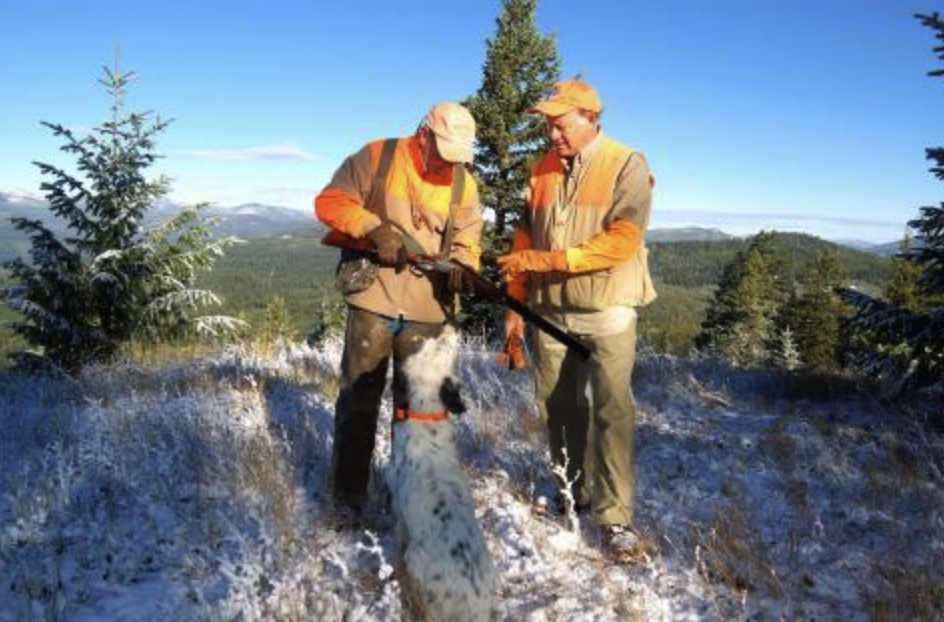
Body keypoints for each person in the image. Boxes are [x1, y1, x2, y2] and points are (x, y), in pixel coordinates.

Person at [496, 79, 656, 562]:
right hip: (547, 312)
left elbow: (622, 242)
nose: (552, 134)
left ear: (590, 118)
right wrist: (514, 315)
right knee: (558, 408)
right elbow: (523, 244)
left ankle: (615, 519)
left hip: (607, 312)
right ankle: (573, 492)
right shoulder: (541, 169)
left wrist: (549, 263)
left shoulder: (627, 164)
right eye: (548, 124)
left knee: (612, 412)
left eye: (561, 124)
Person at [315, 102, 483, 515]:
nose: (450, 164)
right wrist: (375, 228)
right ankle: (347, 502)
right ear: (424, 135)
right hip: (374, 298)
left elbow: (468, 238)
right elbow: (330, 202)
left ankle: (411, 499)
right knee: (358, 404)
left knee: (421, 410)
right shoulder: (377, 156)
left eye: (458, 157)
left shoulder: (465, 184)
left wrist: (464, 265)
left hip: (429, 308)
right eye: (444, 154)